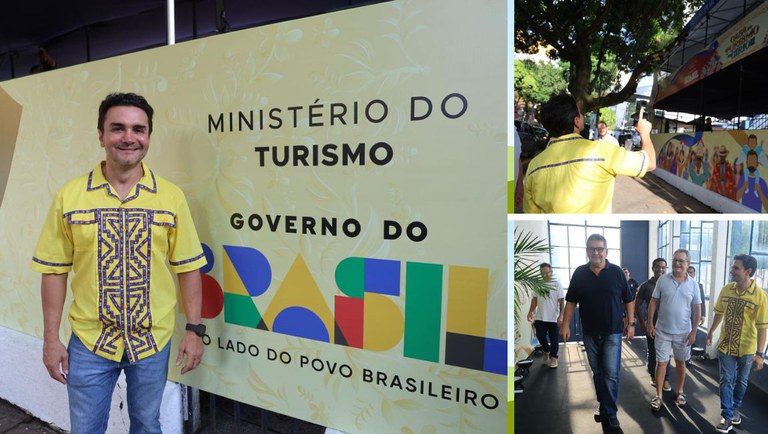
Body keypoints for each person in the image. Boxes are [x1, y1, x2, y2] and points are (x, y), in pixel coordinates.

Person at [31, 92, 208, 433]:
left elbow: (188, 267)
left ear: (148, 137)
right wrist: (51, 339)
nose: (129, 137)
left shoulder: (170, 197)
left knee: (146, 424)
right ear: (101, 136)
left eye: (138, 129)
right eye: (118, 128)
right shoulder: (70, 196)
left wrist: (194, 330)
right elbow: (54, 270)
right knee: (86, 429)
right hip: (89, 341)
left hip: (151, 342)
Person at [523, 93, 656, 213]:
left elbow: (531, 213)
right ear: (576, 121)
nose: (583, 116)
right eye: (580, 113)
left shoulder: (533, 167)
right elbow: (650, 163)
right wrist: (644, 132)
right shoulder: (601, 151)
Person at [561, 234, 635, 430]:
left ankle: (610, 412)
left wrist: (631, 323)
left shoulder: (617, 273)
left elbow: (629, 299)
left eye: (600, 248)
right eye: (592, 249)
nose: (596, 252)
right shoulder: (579, 273)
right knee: (598, 373)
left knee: (611, 374)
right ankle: (604, 405)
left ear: (606, 252)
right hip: (590, 332)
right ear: (587, 251)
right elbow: (571, 302)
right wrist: (565, 324)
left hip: (613, 332)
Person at [706, 254, 768, 433]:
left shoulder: (760, 296)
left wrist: (759, 354)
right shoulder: (726, 290)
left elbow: (763, 328)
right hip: (726, 346)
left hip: (748, 350)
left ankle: (735, 409)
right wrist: (710, 332)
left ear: (748, 271)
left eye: (736, 268)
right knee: (726, 379)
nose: (732, 270)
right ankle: (726, 416)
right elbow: (719, 313)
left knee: (741, 382)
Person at [647, 250, 701, 411]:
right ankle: (658, 396)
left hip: (684, 333)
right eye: (675, 260)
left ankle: (680, 392)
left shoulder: (693, 284)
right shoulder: (663, 280)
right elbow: (653, 302)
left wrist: (694, 332)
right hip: (662, 330)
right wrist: (650, 323)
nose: (677, 263)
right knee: (661, 363)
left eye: (681, 261)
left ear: (688, 263)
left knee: (680, 363)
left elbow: (697, 310)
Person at [635, 258, 672, 391]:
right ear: (653, 268)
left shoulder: (670, 284)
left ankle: (666, 379)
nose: (660, 270)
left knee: (666, 354)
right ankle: (653, 376)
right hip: (652, 325)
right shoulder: (646, 286)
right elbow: (637, 305)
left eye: (663, 267)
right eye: (658, 267)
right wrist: (642, 321)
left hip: (668, 326)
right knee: (653, 352)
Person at [527, 263, 565, 368]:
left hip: (553, 317)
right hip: (540, 317)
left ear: (551, 272)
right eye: (542, 273)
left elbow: (562, 301)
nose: (545, 275)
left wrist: (561, 315)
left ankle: (553, 358)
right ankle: (546, 350)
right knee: (540, 336)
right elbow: (534, 300)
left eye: (547, 273)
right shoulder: (538, 285)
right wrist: (530, 311)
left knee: (554, 339)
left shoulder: (557, 284)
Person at [686, 265, 707, 366]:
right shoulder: (682, 284)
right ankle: (684, 356)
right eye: (688, 272)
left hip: (694, 315)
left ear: (694, 274)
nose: (690, 274)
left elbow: (702, 301)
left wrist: (703, 315)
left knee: (692, 335)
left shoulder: (699, 285)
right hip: (684, 315)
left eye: (691, 272)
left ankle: (688, 357)